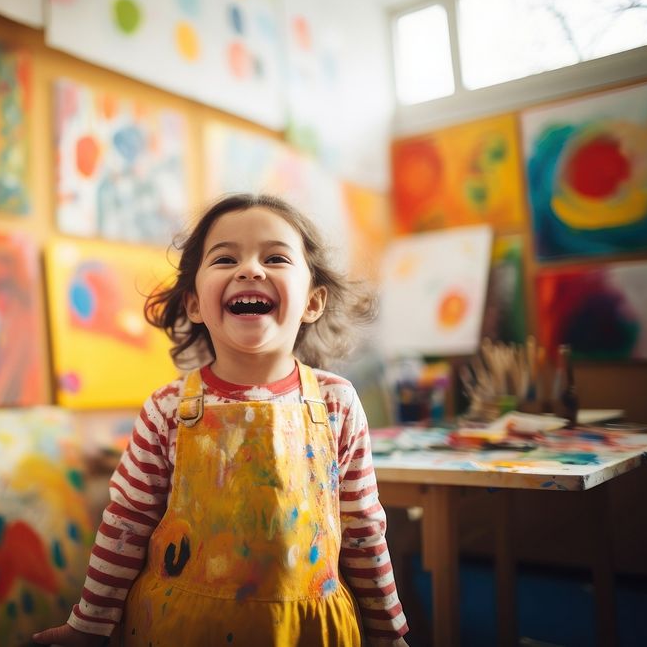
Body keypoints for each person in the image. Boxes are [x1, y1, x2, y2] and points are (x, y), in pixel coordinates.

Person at [34, 193, 410, 646]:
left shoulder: (337, 403)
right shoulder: (167, 409)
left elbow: (364, 531)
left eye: (274, 256)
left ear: (313, 302)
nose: (250, 269)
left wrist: (390, 634)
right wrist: (88, 627)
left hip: (308, 632)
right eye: (225, 258)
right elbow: (125, 525)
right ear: (194, 304)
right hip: (180, 630)